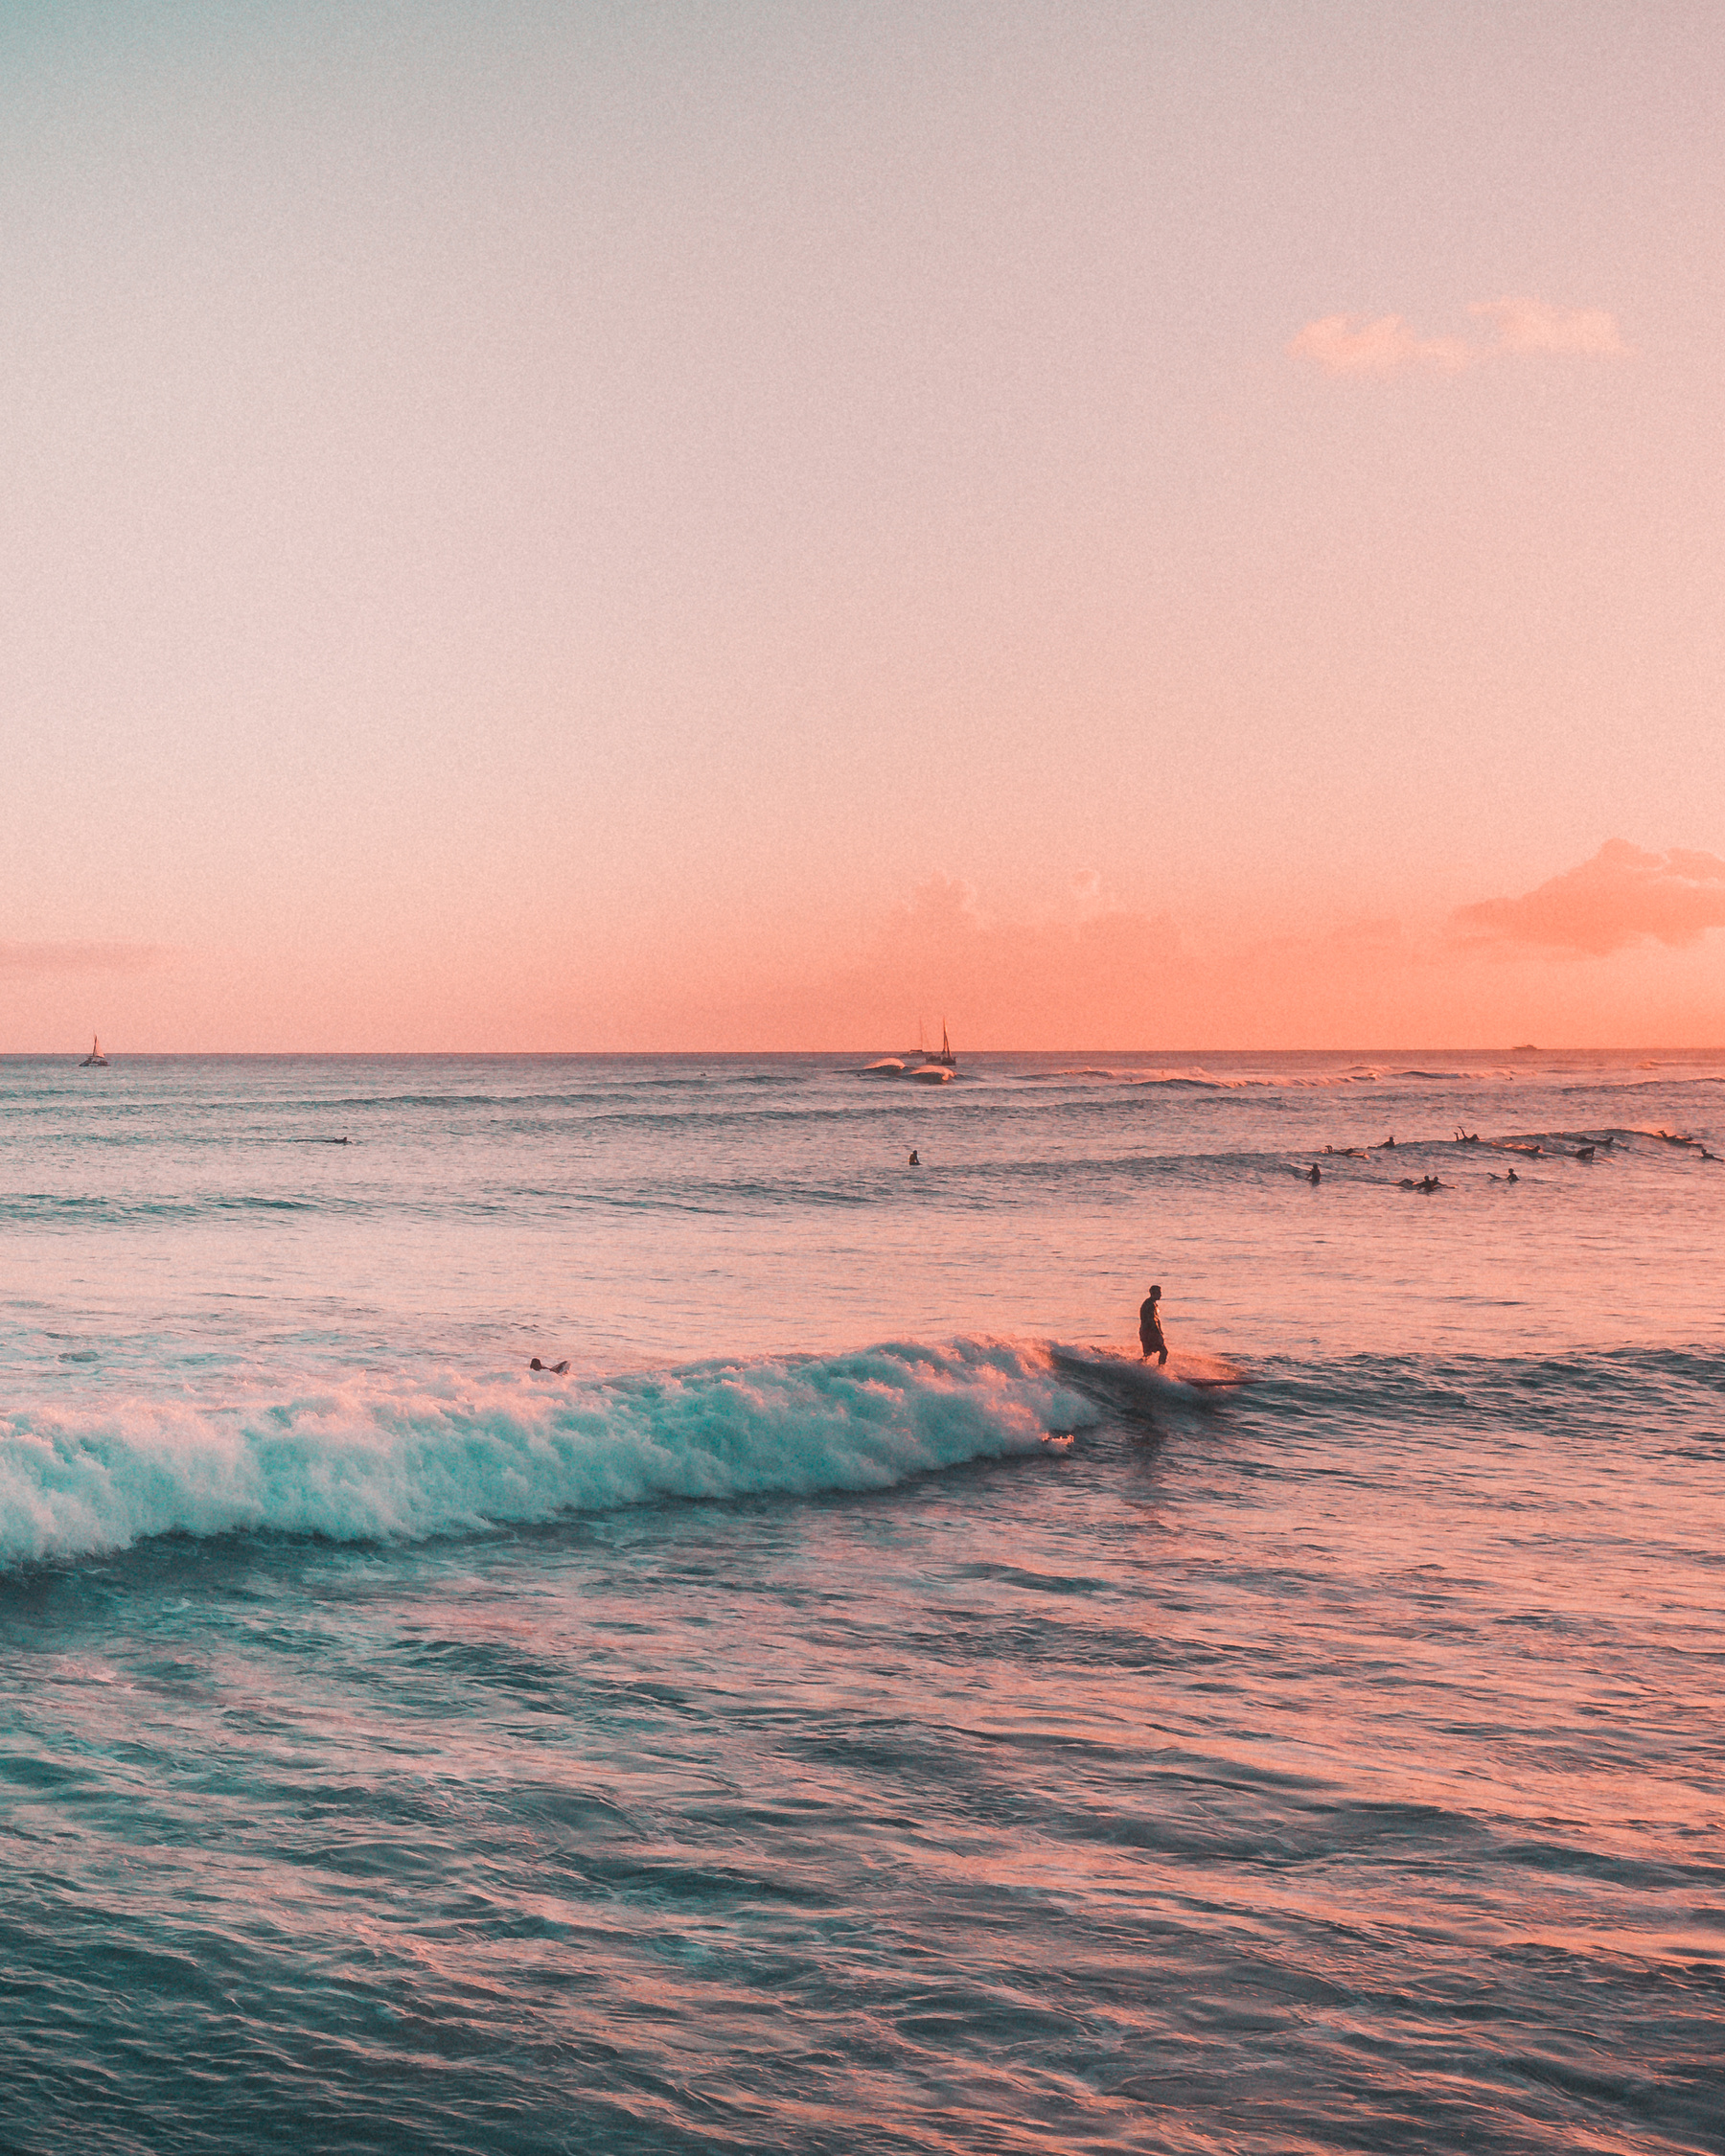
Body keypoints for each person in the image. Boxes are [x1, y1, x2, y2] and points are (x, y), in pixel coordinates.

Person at [1138, 1285, 1167, 1365]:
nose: (1161, 1294)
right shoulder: (1150, 1304)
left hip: (1145, 1331)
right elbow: (1152, 1321)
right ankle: (1160, 1370)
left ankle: (1135, 1367)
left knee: (1147, 1354)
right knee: (1163, 1351)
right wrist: (1159, 1334)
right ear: (1153, 1293)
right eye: (1159, 1293)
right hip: (1149, 1332)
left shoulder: (1151, 1303)